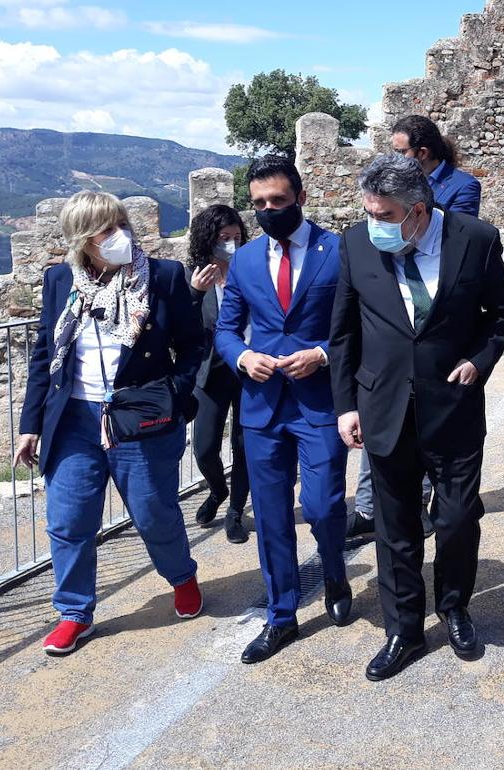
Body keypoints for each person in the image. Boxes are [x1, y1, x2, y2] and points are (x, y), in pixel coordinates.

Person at [330, 153, 504, 681]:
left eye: (385, 215)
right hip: (383, 406)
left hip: (453, 407)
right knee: (395, 526)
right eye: (368, 212)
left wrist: (479, 362)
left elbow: (501, 316)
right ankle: (404, 630)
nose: (375, 225)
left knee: (456, 518)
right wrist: (346, 404)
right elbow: (342, 332)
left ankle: (454, 607)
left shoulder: (475, 240)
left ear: (418, 210)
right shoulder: (355, 243)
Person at [14, 190, 205, 655]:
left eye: (121, 223)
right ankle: (75, 613)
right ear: (82, 239)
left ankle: (181, 576)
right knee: (68, 520)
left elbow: (194, 345)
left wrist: (177, 397)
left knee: (152, 511)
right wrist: (30, 422)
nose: (119, 234)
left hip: (140, 417)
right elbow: (45, 354)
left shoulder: (163, 276)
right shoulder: (60, 280)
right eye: (106, 229)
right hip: (74, 419)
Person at [213, 155, 352, 665]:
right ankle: (282, 616)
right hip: (262, 408)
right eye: (259, 204)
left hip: (319, 405)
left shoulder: (338, 251)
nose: (269, 210)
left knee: (321, 506)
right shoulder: (246, 260)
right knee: (271, 517)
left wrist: (320, 354)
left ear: (300, 198)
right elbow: (227, 330)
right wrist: (244, 356)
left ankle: (335, 569)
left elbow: (356, 325)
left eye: (278, 201)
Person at [345, 113, 480, 541]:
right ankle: (370, 508)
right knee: (383, 441)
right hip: (389, 365)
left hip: (435, 335)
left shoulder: (460, 189)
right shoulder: (364, 236)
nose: (394, 156)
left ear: (421, 152)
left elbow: (450, 241)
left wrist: (416, 218)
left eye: (400, 151)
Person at [186, 204, 251, 543]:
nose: (231, 244)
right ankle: (217, 490)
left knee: (244, 446)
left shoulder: (251, 269)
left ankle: (235, 513)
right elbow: (182, 331)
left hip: (248, 369)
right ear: (208, 238)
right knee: (205, 448)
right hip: (210, 372)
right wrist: (195, 295)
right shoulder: (193, 276)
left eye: (237, 237)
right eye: (224, 237)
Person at [390, 114, 481, 216]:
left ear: (422, 153)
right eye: (394, 151)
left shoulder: (464, 186)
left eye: (401, 152)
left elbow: (458, 230)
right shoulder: (396, 180)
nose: (395, 158)